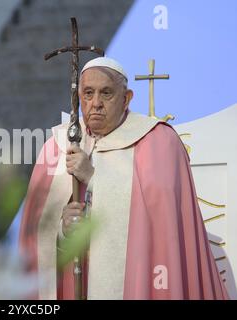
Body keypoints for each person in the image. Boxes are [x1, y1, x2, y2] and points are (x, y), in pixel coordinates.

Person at [18, 57, 229, 300]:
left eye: (106, 93)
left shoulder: (159, 142)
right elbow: (36, 239)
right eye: (88, 93)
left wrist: (94, 178)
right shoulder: (56, 147)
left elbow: (160, 223)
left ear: (126, 98)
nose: (95, 103)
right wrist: (63, 233)